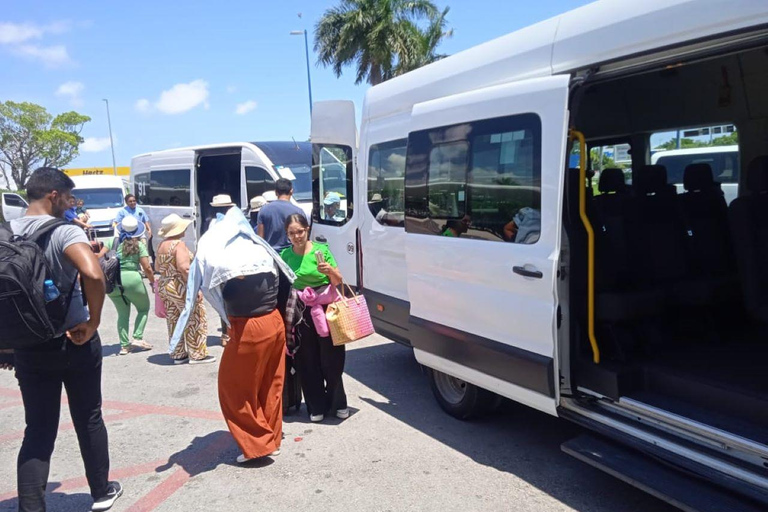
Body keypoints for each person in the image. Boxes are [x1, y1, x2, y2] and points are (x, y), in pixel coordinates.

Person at [3, 167, 122, 511]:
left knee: (38, 429)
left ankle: (31, 506)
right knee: (89, 416)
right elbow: (92, 272)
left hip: (27, 345)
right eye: (68, 198)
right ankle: (101, 491)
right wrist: (94, 321)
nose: (71, 204)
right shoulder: (64, 231)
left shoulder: (7, 232)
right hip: (74, 340)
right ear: (53, 195)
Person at [171, 206, 296, 463]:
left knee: (234, 390)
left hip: (248, 327)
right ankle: (271, 438)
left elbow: (207, 284)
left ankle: (258, 444)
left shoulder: (224, 258)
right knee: (270, 384)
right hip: (274, 323)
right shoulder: (261, 251)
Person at [280, 213, 348, 422]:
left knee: (332, 358)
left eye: (300, 231)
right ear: (287, 235)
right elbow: (283, 285)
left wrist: (329, 272)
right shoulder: (284, 255)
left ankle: (338, 402)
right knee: (306, 359)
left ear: (307, 229)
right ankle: (315, 405)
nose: (296, 236)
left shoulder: (321, 250)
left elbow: (339, 281)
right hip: (300, 310)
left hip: (327, 308)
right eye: (292, 233)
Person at [156, 214, 215, 364]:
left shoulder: (162, 245)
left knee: (173, 318)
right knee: (195, 315)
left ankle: (178, 353)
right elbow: (185, 268)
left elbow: (157, 267)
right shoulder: (178, 245)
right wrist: (195, 288)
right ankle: (197, 353)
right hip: (178, 284)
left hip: (165, 283)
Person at [100, 216, 155, 356]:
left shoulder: (111, 241)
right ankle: (137, 337)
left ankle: (124, 346)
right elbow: (147, 267)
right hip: (132, 279)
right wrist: (152, 282)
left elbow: (99, 258)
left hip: (112, 281)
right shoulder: (139, 245)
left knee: (122, 314)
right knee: (143, 309)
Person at [207, 194, 238, 346]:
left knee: (223, 298)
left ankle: (226, 333)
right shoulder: (233, 222)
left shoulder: (212, 222)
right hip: (231, 262)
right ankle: (231, 331)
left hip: (218, 264)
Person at [257, 178, 306, 251]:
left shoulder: (263, 210)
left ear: (276, 193)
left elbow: (260, 239)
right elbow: (304, 237)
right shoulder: (299, 211)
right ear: (291, 191)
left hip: (271, 254)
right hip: (291, 254)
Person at [114, 193, 153, 265]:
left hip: (139, 232)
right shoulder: (122, 212)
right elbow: (117, 223)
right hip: (127, 234)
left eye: (134, 201)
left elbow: (145, 220)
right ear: (126, 202)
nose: (133, 203)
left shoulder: (140, 210)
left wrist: (149, 229)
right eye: (130, 201)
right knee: (129, 249)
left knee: (143, 246)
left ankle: (145, 265)